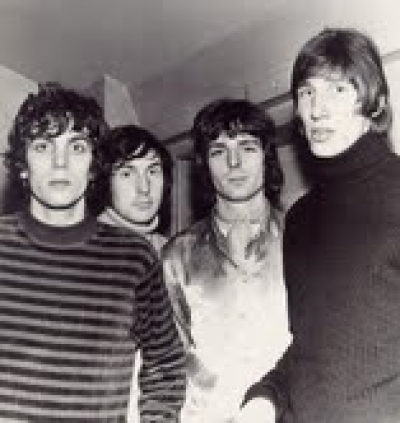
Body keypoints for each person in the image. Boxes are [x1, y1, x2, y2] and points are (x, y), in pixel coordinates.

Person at [0, 82, 186, 422]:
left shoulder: (135, 257)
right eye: (43, 146)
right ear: (23, 165)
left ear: (93, 165)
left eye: (77, 147)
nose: (60, 163)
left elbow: (165, 365)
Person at [240, 28, 400, 423]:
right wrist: (266, 399)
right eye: (307, 92)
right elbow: (311, 350)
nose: (317, 109)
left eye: (338, 90)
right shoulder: (300, 219)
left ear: (375, 103)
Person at [163, 98, 291, 422]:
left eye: (247, 147)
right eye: (219, 151)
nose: (234, 163)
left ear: (267, 156)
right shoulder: (177, 257)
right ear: (204, 164)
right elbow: (168, 363)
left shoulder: (303, 238)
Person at [99, 124, 173, 255]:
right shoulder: (86, 249)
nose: (144, 188)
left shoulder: (171, 251)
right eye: (127, 174)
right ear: (106, 183)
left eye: (152, 171)